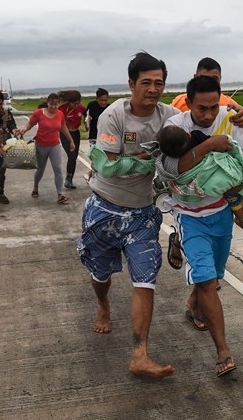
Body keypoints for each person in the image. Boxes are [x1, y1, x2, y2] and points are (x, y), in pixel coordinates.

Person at [77, 51, 179, 379]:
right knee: (100, 275)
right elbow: (106, 164)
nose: (153, 89)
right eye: (146, 83)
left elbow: (201, 128)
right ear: (131, 84)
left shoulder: (170, 116)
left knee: (145, 281)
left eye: (159, 83)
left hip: (143, 213)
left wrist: (235, 117)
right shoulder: (113, 116)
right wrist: (150, 163)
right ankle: (104, 305)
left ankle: (140, 354)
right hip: (105, 208)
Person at [161, 75, 243, 377]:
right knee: (206, 279)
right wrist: (210, 146)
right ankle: (223, 351)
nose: (207, 115)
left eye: (212, 107)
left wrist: (239, 181)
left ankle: (194, 304)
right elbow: (170, 167)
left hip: (220, 213)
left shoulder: (231, 120)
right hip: (190, 216)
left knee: (214, 277)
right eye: (200, 108)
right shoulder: (174, 127)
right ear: (188, 103)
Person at [166, 57, 243, 272]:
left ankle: (238, 221)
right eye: (205, 78)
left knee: (234, 202)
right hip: (192, 179)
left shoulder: (229, 107)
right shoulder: (178, 108)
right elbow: (170, 141)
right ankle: (178, 241)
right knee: (195, 239)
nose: (208, 114)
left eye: (215, 79)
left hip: (222, 179)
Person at [156, 124, 243, 232]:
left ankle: (242, 220)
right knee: (233, 193)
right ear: (187, 134)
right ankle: (242, 220)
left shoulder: (170, 159)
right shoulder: (196, 136)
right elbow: (221, 146)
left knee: (231, 193)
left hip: (199, 187)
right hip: (217, 173)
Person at [14, 93, 75, 205]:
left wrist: (71, 141)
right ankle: (36, 186)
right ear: (47, 103)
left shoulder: (60, 114)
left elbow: (63, 127)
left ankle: (59, 194)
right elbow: (30, 123)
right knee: (40, 169)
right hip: (41, 145)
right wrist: (24, 130)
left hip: (55, 145)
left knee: (57, 168)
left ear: (59, 104)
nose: (53, 107)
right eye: (51, 104)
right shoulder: (39, 113)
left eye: (56, 104)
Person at [58, 89, 86, 189]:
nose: (76, 105)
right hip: (65, 134)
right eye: (74, 103)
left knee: (74, 157)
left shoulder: (81, 108)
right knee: (72, 155)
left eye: (78, 103)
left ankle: (69, 179)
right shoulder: (62, 109)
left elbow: (88, 116)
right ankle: (68, 179)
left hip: (76, 133)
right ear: (69, 102)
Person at [82, 88, 110, 183]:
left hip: (106, 137)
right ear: (96, 99)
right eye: (101, 100)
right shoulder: (91, 106)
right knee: (95, 157)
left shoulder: (110, 108)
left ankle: (91, 175)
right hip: (94, 135)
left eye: (105, 100)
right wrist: (87, 121)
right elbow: (86, 121)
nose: (103, 102)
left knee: (105, 158)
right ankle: (92, 175)